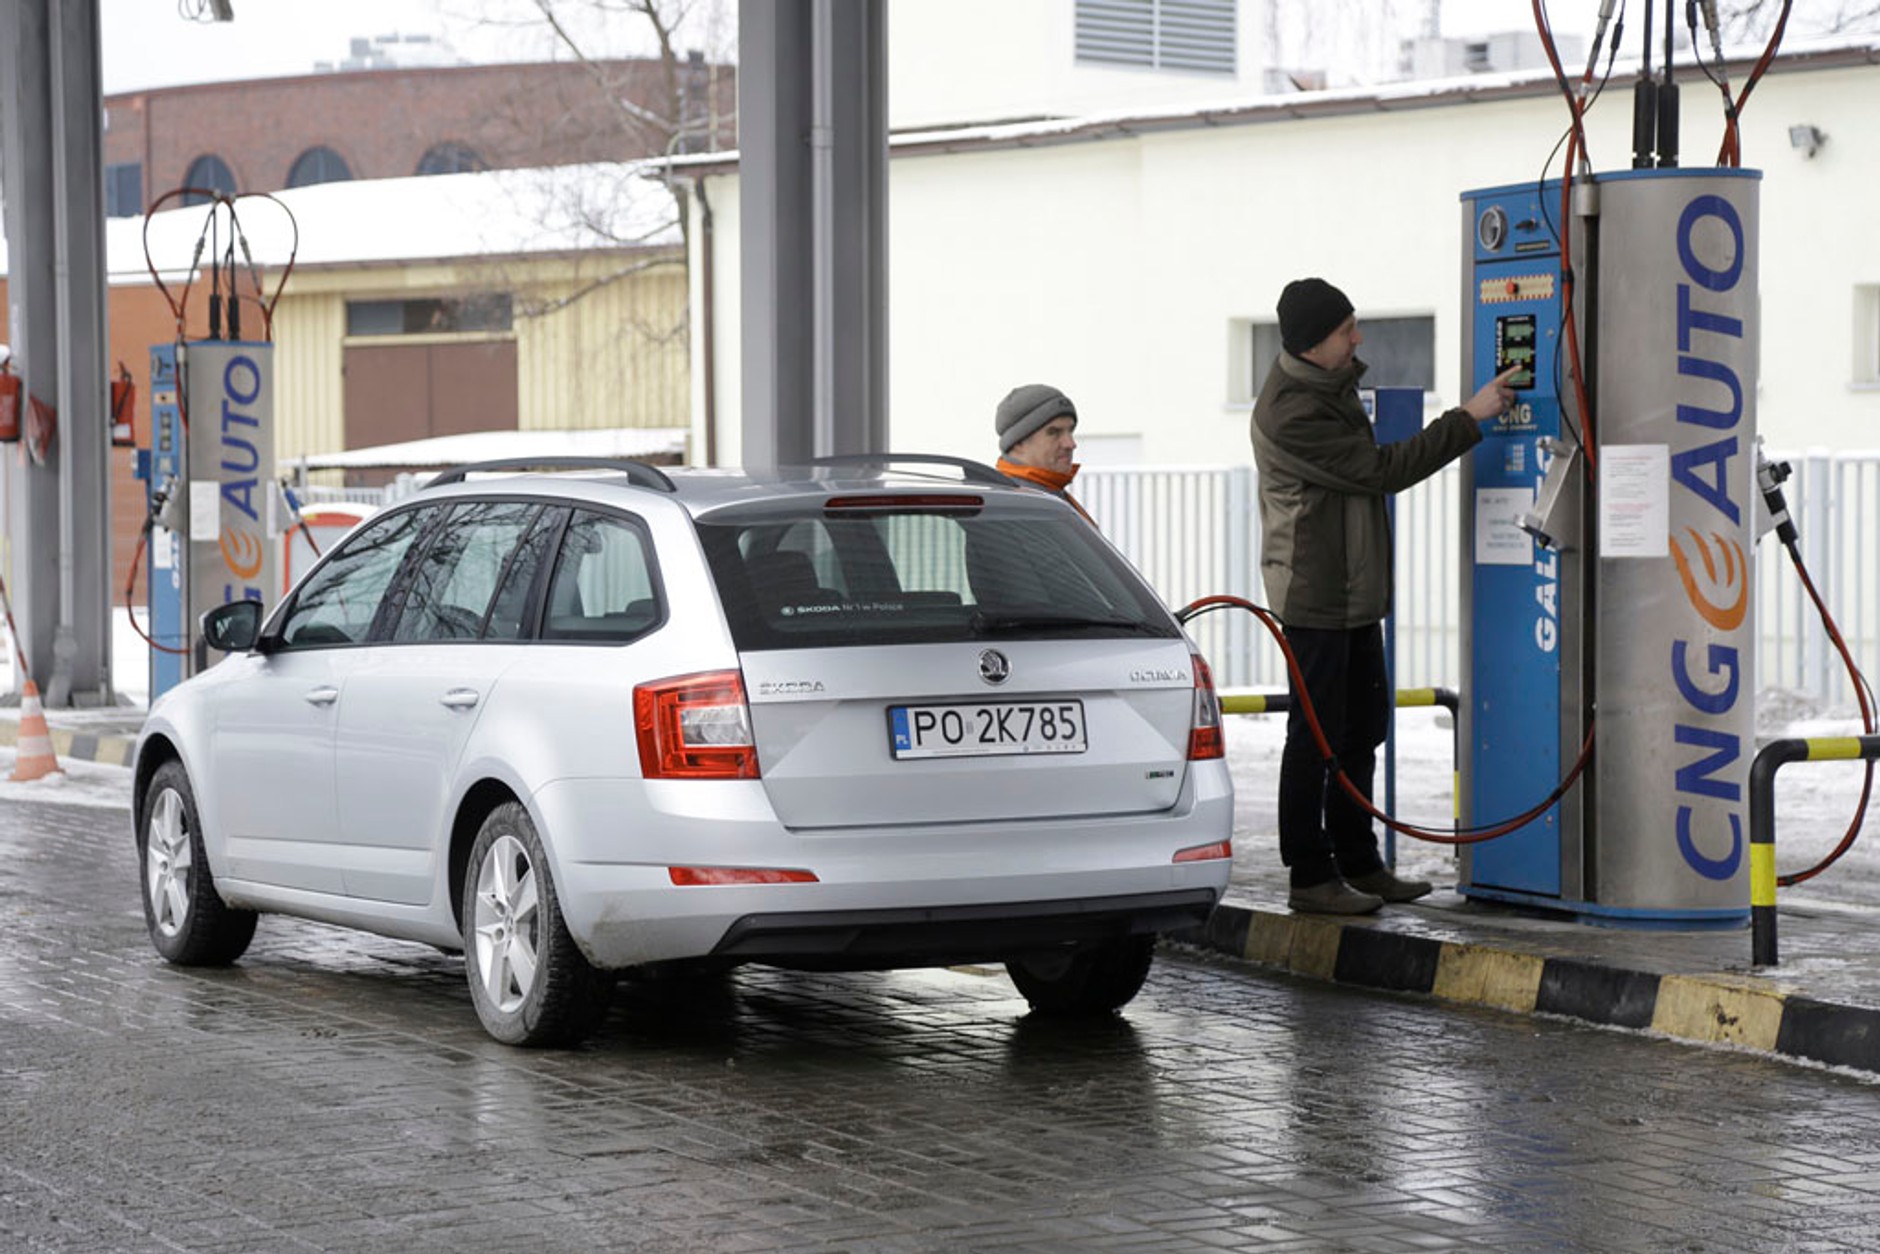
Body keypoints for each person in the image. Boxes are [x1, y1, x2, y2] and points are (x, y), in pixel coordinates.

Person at [1252, 277, 1518, 915]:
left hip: (1353, 592)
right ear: (1316, 343)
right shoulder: (1292, 411)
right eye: (1347, 330)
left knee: (1362, 728)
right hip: (1315, 594)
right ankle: (1311, 876)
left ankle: (1359, 860)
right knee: (1314, 738)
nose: (1358, 338)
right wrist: (1468, 418)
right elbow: (1380, 470)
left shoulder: (1330, 386)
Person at [994, 383, 1095, 524]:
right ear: (1018, 443)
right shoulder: (1017, 506)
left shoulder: (1046, 495)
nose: (1070, 444)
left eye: (1070, 431)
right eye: (1054, 432)